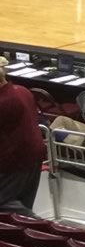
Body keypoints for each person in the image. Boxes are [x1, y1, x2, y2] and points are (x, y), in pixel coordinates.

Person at [0, 71, 44, 212]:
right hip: (34, 156)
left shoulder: (4, 102)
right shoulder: (22, 91)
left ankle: (40, 227)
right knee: (24, 202)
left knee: (4, 205)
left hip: (14, 161)